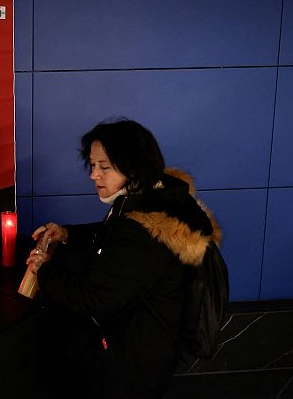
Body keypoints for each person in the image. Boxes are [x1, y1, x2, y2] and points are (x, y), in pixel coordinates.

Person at [27, 118, 221, 399]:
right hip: (152, 346)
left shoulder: (142, 229)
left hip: (130, 361)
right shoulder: (159, 199)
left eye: (104, 167)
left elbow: (91, 297)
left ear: (134, 167)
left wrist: (44, 270)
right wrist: (68, 234)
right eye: (92, 166)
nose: (94, 175)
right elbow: (114, 239)